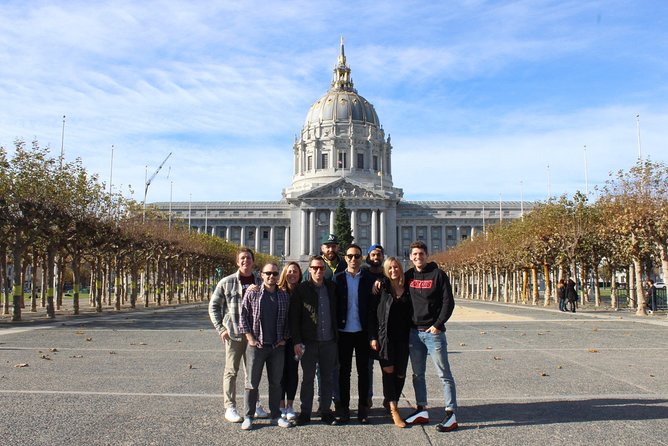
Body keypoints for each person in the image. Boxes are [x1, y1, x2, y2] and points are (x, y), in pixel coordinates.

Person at [208, 247, 268, 423]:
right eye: (242, 258)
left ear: (253, 261)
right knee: (231, 372)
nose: (245, 261)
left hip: (254, 335)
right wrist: (220, 328)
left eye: (248, 258)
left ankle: (254, 403)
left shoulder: (261, 281)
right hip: (233, 334)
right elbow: (213, 306)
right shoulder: (226, 282)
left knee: (253, 372)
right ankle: (230, 407)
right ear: (237, 262)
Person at [404, 240, 458, 432]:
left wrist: (437, 325)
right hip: (414, 333)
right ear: (410, 257)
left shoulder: (438, 275)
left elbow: (448, 303)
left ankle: (451, 413)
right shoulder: (408, 275)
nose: (418, 257)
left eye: (421, 254)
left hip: (432, 333)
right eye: (415, 254)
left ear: (427, 255)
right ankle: (421, 409)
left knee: (444, 373)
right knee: (418, 374)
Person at [238, 262, 293, 430]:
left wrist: (285, 337)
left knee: (276, 383)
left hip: (277, 346)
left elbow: (289, 320)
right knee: (252, 383)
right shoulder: (253, 293)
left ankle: (276, 415)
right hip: (257, 345)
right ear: (261, 275)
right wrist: (250, 338)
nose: (272, 276)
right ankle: (249, 415)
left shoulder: (284, 295)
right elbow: (243, 316)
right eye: (268, 273)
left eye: (275, 274)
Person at [289, 255, 339, 426]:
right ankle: (305, 412)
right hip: (309, 342)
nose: (318, 271)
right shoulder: (301, 290)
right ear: (309, 270)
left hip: (329, 341)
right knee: (308, 378)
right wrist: (297, 341)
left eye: (321, 268)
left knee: (327, 378)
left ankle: (326, 411)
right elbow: (294, 319)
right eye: (315, 268)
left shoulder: (332, 288)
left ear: (325, 270)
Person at [333, 244, 375, 424]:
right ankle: (344, 409)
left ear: (361, 258)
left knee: (364, 372)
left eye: (357, 256)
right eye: (350, 256)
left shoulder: (369, 279)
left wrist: (373, 334)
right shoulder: (338, 279)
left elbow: (374, 309)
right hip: (343, 332)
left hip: (362, 332)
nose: (353, 259)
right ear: (345, 258)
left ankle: (363, 409)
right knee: (344, 372)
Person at [369, 256, 411, 428]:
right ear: (386, 271)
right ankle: (394, 409)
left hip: (404, 337)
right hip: (385, 337)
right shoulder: (381, 288)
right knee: (388, 372)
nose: (393, 270)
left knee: (400, 373)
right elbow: (372, 313)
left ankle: (390, 400)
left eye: (396, 267)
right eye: (390, 268)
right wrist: (372, 337)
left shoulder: (408, 287)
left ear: (400, 269)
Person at [277, 262, 303, 421]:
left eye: (295, 271)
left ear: (300, 274)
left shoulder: (303, 291)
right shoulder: (277, 291)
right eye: (290, 271)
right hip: (279, 340)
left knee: (292, 372)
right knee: (279, 373)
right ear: (285, 273)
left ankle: (290, 405)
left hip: (296, 340)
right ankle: (280, 405)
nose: (292, 274)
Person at [362, 244, 385, 409]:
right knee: (367, 367)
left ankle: (389, 399)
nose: (376, 258)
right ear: (368, 257)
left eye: (379, 255)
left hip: (384, 326)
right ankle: (368, 398)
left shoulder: (388, 275)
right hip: (366, 326)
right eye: (373, 255)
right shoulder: (362, 275)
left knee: (387, 365)